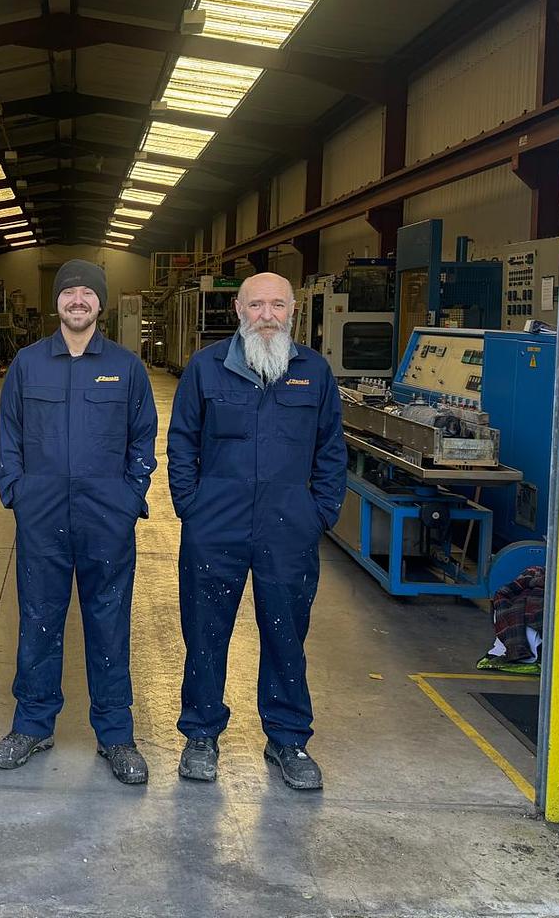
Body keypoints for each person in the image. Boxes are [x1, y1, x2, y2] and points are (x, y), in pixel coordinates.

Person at [166, 271, 345, 789]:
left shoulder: (314, 372)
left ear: (293, 311)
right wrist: (192, 507)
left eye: (278, 305)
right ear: (239, 311)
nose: (267, 315)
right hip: (215, 525)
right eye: (257, 305)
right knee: (205, 632)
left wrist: (319, 513)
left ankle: (288, 739)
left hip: (288, 528)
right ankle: (201, 735)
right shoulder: (206, 368)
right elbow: (182, 442)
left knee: (286, 633)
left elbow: (331, 450)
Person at [0, 260, 158, 784]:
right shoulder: (28, 364)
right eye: (69, 292)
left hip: (107, 519)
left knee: (109, 622)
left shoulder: (126, 367)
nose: (78, 300)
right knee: (39, 619)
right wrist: (16, 491)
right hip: (41, 517)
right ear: (57, 302)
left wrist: (129, 497)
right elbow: (9, 434)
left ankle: (116, 734)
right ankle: (32, 724)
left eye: (88, 292)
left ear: (100, 304)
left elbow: (143, 438)